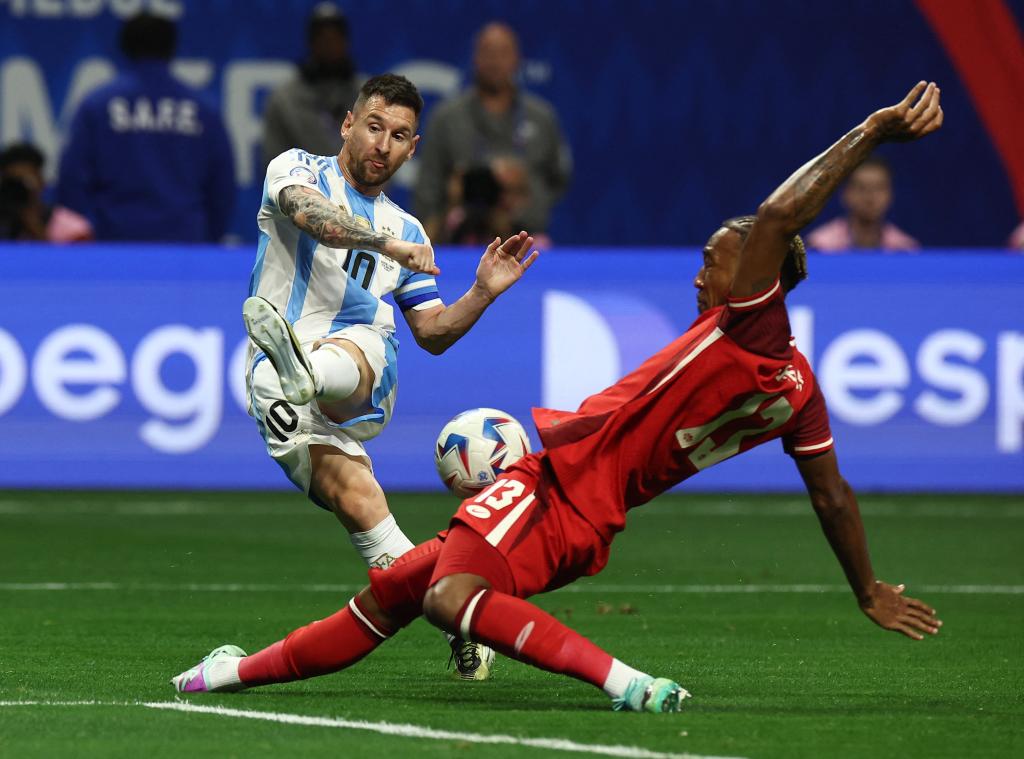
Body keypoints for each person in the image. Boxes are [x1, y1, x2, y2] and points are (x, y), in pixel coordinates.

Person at [173, 82, 945, 712]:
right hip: (595, 514)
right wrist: (866, 587)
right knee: (397, 591)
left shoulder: (746, 320)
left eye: (713, 263)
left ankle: (626, 683)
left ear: (755, 276)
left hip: (560, 481)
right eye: (371, 126)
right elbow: (833, 495)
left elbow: (779, 214)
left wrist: (873, 128)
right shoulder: (797, 388)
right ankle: (226, 675)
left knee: (441, 593)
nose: (699, 278)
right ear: (348, 123)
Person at [242, 73, 538, 679]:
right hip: (275, 384)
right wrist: (384, 246)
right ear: (348, 124)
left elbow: (430, 332)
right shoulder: (296, 168)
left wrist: (482, 292)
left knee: (365, 338)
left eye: (398, 136)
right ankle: (466, 622)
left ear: (413, 147)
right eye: (373, 127)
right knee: (371, 518)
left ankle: (314, 371)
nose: (382, 144)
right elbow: (311, 217)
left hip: (353, 379)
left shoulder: (410, 230)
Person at [55, 12, 234, 242]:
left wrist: (87, 240)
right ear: (171, 49)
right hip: (185, 246)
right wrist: (205, 243)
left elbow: (72, 181)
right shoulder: (204, 110)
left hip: (112, 245)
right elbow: (222, 189)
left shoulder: (97, 105)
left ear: (124, 47)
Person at [413, 21, 572, 242]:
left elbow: (558, 179)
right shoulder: (446, 117)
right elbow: (428, 186)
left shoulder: (542, 117)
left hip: (527, 239)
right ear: (475, 58)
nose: (495, 61)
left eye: (503, 53)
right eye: (487, 52)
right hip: (461, 241)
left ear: (517, 59)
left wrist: (524, 191)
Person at [260, 2, 362, 169]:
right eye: (322, 38)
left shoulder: (368, 97)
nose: (329, 45)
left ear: (345, 42)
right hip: (302, 193)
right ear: (311, 43)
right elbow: (274, 166)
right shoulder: (285, 101)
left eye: (335, 37)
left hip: (360, 193)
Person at [806, 155, 920, 252]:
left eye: (879, 188)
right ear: (845, 193)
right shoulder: (820, 247)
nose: (870, 197)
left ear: (890, 194)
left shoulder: (905, 249)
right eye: (861, 188)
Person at [0, 143, 91, 242]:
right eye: (12, 183)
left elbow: (78, 257)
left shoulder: (73, 229)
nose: (16, 190)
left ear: (41, 181)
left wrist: (33, 223)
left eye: (25, 181)